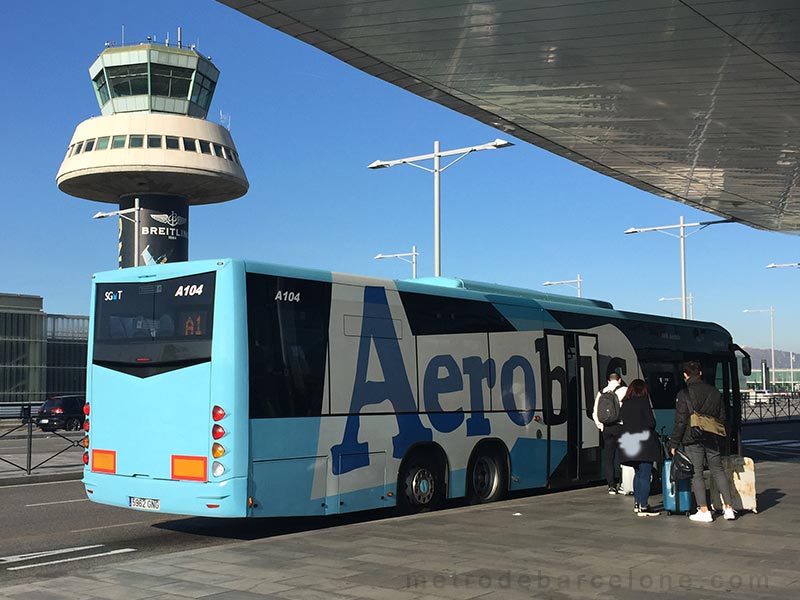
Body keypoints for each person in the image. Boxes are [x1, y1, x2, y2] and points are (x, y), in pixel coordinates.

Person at [669, 361, 735, 522]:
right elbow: (722, 417)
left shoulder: (683, 394)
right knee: (718, 470)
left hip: (692, 438)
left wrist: (674, 443)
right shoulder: (715, 392)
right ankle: (729, 508)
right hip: (713, 436)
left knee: (697, 474)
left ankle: (704, 510)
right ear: (700, 373)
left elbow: (680, 421)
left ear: (685, 375)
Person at [617, 379, 661, 516]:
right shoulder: (643, 402)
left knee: (637, 473)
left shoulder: (625, 404)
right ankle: (644, 505)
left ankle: (637, 503)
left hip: (630, 444)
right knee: (645, 474)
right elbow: (651, 422)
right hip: (644, 443)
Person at [593, 373, 627, 494]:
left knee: (609, 458)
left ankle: (611, 486)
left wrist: (601, 426)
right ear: (619, 380)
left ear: (608, 380)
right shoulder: (624, 390)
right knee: (625, 456)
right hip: (621, 427)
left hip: (607, 429)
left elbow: (595, 412)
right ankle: (624, 484)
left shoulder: (601, 392)